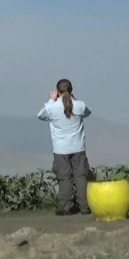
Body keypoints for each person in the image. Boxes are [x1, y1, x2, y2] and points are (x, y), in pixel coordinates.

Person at [38, 79, 92, 216]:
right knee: (81, 177)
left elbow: (41, 115)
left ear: (57, 91)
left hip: (61, 149)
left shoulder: (52, 107)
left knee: (64, 178)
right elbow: (87, 112)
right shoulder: (79, 105)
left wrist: (51, 100)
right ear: (71, 89)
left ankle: (66, 207)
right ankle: (84, 206)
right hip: (78, 147)